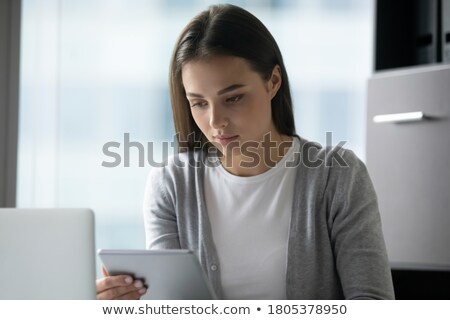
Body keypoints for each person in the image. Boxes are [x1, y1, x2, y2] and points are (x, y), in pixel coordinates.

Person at [96, 3, 395, 300]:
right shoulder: (172, 184)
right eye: (199, 103)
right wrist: (132, 304)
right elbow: (169, 304)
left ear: (273, 82)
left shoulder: (337, 175)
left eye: (234, 98)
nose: (215, 122)